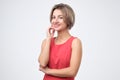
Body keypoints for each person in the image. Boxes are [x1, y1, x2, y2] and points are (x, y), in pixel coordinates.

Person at [38, 3, 82, 80]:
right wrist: (49, 39)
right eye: (53, 17)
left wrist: (48, 71)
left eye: (60, 17)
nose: (55, 21)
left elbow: (72, 72)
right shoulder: (46, 41)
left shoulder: (75, 42)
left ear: (68, 19)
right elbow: (42, 63)